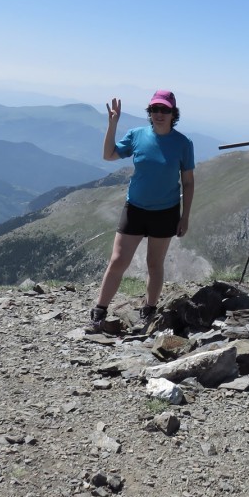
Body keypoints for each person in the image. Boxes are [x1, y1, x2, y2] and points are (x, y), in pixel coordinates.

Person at [87, 90, 195, 334]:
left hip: (165, 212)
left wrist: (185, 216)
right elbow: (109, 155)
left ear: (173, 113)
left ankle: (149, 311)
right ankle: (99, 312)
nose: (159, 114)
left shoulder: (183, 144)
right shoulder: (137, 135)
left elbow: (188, 182)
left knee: (154, 264)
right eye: (155, 109)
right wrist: (112, 124)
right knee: (117, 261)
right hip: (134, 208)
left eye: (164, 110)